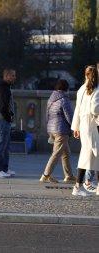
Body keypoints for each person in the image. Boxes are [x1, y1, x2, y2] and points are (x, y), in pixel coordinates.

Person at [40, 79, 75, 183]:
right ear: (66, 88)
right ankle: (45, 175)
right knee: (56, 154)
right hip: (61, 130)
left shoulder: (51, 99)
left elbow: (47, 115)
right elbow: (69, 116)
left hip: (52, 129)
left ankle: (69, 175)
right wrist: (74, 127)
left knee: (66, 153)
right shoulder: (64, 99)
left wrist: (49, 128)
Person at [71, 65, 99, 196]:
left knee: (87, 156)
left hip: (83, 125)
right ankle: (81, 186)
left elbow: (77, 109)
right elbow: (95, 109)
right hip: (92, 125)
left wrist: (76, 127)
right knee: (94, 155)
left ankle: (78, 186)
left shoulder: (81, 89)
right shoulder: (96, 89)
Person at [0, 68, 16, 178]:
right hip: (2, 120)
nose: (15, 77)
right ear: (6, 76)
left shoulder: (3, 87)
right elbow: (3, 107)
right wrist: (9, 117)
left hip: (2, 119)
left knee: (5, 146)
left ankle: (4, 168)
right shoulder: (4, 88)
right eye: (13, 76)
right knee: (1, 145)